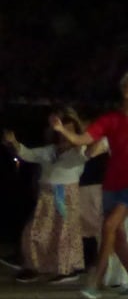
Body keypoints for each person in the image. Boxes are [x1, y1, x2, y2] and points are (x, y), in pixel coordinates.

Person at [53, 73, 128, 299]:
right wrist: (63, 131)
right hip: (111, 185)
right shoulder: (110, 119)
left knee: (109, 226)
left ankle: (96, 281)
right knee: (117, 237)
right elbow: (84, 142)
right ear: (124, 90)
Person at [3, 110, 97, 284]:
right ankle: (35, 267)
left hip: (65, 195)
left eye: (67, 130)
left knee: (64, 233)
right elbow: (28, 154)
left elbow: (86, 153)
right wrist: (14, 142)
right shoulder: (50, 150)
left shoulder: (78, 152)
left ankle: (67, 270)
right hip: (46, 195)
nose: (62, 135)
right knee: (35, 231)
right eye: (59, 130)